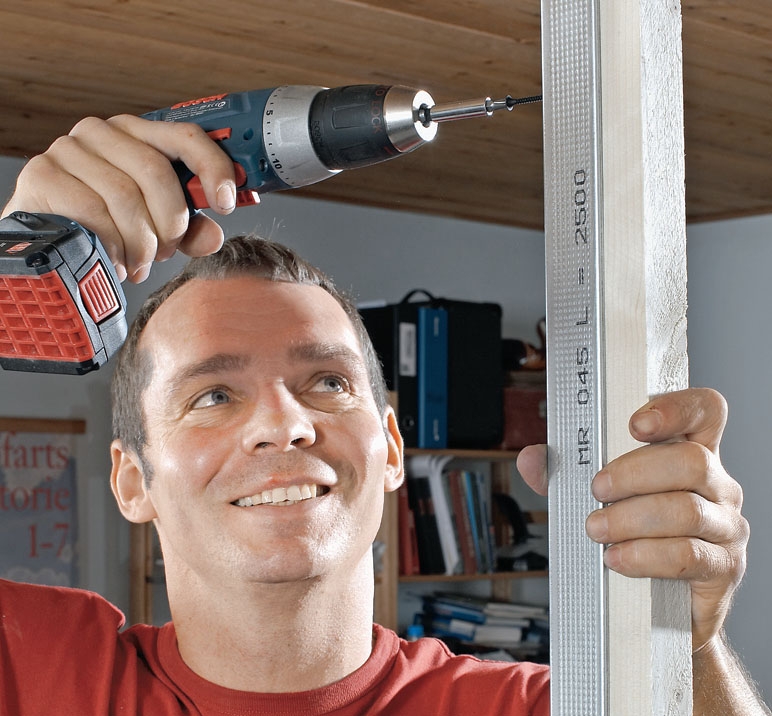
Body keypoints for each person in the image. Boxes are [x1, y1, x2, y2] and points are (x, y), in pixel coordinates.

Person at [0, 114, 768, 715]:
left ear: (393, 446)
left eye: (327, 382)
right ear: (133, 481)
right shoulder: (31, 667)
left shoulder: (534, 707)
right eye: (213, 396)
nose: (285, 424)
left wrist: (686, 650)